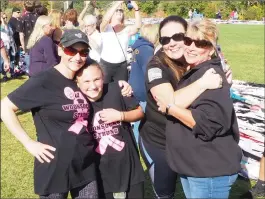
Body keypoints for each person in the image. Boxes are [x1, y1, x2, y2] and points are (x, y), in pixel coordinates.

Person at [0, 28, 132, 198]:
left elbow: (97, 85)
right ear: (60, 49)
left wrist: (119, 84)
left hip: (86, 164)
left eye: (83, 52)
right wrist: (28, 143)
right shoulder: (43, 81)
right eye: (71, 50)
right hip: (54, 167)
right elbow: (5, 107)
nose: (78, 57)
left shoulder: (81, 77)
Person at [138, 15, 225, 199]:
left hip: (187, 138)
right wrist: (203, 83)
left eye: (178, 36)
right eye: (165, 39)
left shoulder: (194, 57)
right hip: (159, 142)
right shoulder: (156, 65)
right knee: (165, 192)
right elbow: (169, 102)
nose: (171, 43)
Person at [156, 18, 242, 199]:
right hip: (195, 167)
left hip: (209, 171)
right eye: (188, 40)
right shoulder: (197, 72)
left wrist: (170, 107)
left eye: (200, 43)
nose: (191, 47)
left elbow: (207, 124)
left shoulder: (212, 77)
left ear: (210, 49)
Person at [76, 61, 145, 199]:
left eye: (97, 79)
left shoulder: (115, 90)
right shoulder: (76, 102)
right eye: (86, 81)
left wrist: (120, 115)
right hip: (100, 171)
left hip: (129, 166)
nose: (93, 86)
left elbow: (140, 112)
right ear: (77, 84)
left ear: (103, 77)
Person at [128, 24, 159, 143]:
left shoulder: (138, 47)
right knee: (141, 120)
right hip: (142, 90)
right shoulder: (147, 50)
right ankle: (138, 142)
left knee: (138, 119)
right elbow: (149, 72)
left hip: (135, 86)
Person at [100, 1, 142, 83]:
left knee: (122, 92)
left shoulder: (127, 29)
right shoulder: (105, 27)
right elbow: (105, 19)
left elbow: (138, 26)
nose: (119, 12)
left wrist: (136, 9)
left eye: (121, 11)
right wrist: (118, 3)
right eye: (117, 10)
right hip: (106, 65)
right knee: (105, 90)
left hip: (121, 66)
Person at [17, 0, 39, 75]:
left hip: (27, 44)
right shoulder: (38, 18)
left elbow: (21, 34)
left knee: (29, 67)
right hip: (38, 43)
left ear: (25, 8)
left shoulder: (21, 18)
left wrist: (23, 46)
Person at [1, 12, 17, 80]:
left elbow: (11, 34)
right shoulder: (1, 27)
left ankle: (12, 72)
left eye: (6, 17)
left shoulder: (9, 25)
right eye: (3, 18)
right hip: (4, 45)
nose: (5, 19)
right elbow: (5, 32)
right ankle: (4, 75)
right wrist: (3, 23)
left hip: (11, 44)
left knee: (12, 59)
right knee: (3, 60)